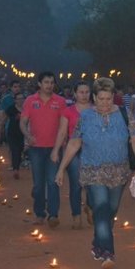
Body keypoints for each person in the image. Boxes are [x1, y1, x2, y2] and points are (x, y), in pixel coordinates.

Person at [55, 77, 135, 269]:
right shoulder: (86, 117)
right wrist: (62, 168)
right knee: (102, 207)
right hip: (92, 170)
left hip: (118, 171)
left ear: (113, 97)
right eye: (101, 98)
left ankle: (98, 242)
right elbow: (74, 143)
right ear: (94, 97)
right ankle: (107, 252)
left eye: (108, 98)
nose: (104, 103)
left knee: (111, 210)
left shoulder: (124, 114)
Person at [20, 72, 66, 228]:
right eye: (46, 82)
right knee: (38, 184)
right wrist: (27, 135)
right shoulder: (30, 101)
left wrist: (59, 147)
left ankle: (53, 214)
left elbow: (63, 126)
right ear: (39, 84)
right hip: (36, 148)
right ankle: (39, 213)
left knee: (53, 182)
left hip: (54, 148)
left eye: (52, 82)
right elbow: (23, 122)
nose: (49, 85)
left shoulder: (60, 101)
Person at [51, 81, 92, 229]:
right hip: (73, 150)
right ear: (75, 94)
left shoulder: (96, 110)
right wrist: (56, 150)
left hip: (92, 150)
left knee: (91, 183)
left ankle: (89, 206)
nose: (84, 95)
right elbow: (62, 132)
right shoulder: (68, 111)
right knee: (76, 184)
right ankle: (76, 215)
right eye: (81, 92)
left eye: (87, 92)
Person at [5, 92, 25, 179]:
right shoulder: (11, 109)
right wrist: (0, 128)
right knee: (15, 150)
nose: (20, 101)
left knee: (20, 151)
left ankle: (17, 166)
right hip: (12, 133)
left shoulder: (26, 109)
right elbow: (4, 118)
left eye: (22, 98)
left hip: (23, 134)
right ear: (15, 100)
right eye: (18, 99)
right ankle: (15, 169)